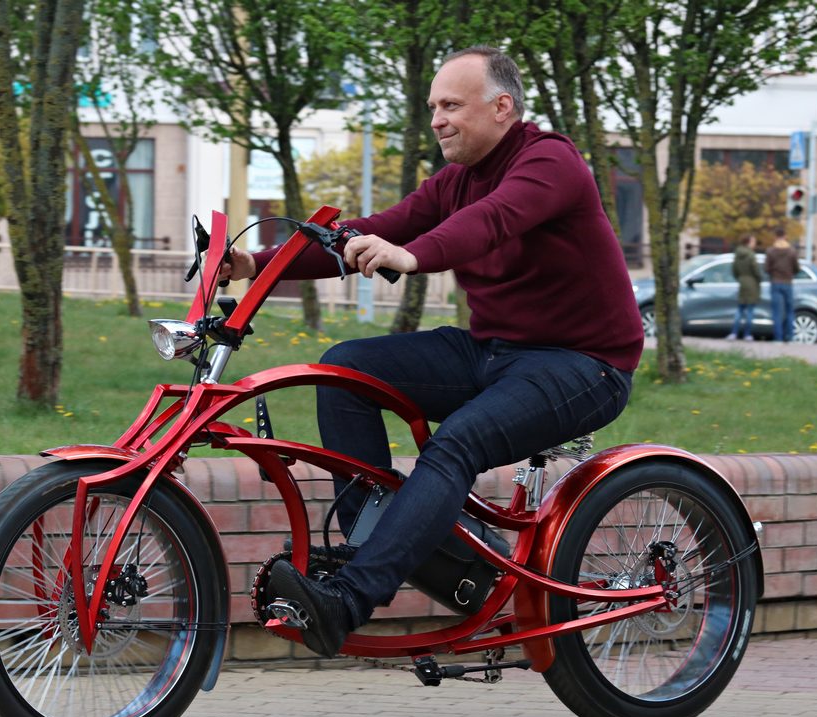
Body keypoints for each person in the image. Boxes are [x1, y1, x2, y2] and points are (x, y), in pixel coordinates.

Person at [219, 46, 643, 658]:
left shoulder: (550, 161)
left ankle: (348, 601)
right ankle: (373, 546)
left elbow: (493, 219)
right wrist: (254, 264)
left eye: (451, 106)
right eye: (433, 108)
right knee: (344, 370)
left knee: (458, 442)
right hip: (493, 351)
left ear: (502, 107)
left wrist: (414, 255)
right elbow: (377, 227)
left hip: (584, 364)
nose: (437, 120)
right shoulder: (455, 181)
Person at [765, 228, 799, 343]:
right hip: (788, 283)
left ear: (775, 236)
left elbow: (766, 268)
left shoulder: (770, 251)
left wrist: (774, 273)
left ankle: (778, 338)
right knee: (789, 311)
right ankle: (790, 337)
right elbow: (797, 268)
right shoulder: (791, 251)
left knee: (776, 312)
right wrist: (790, 273)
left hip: (775, 282)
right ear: (785, 236)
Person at [727, 234, 762, 341]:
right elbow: (756, 270)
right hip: (752, 283)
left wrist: (740, 278)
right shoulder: (751, 255)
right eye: (753, 241)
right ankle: (747, 334)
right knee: (750, 310)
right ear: (748, 242)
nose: (754, 244)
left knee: (740, 309)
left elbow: (734, 269)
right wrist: (759, 278)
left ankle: (734, 333)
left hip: (742, 282)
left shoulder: (737, 254)